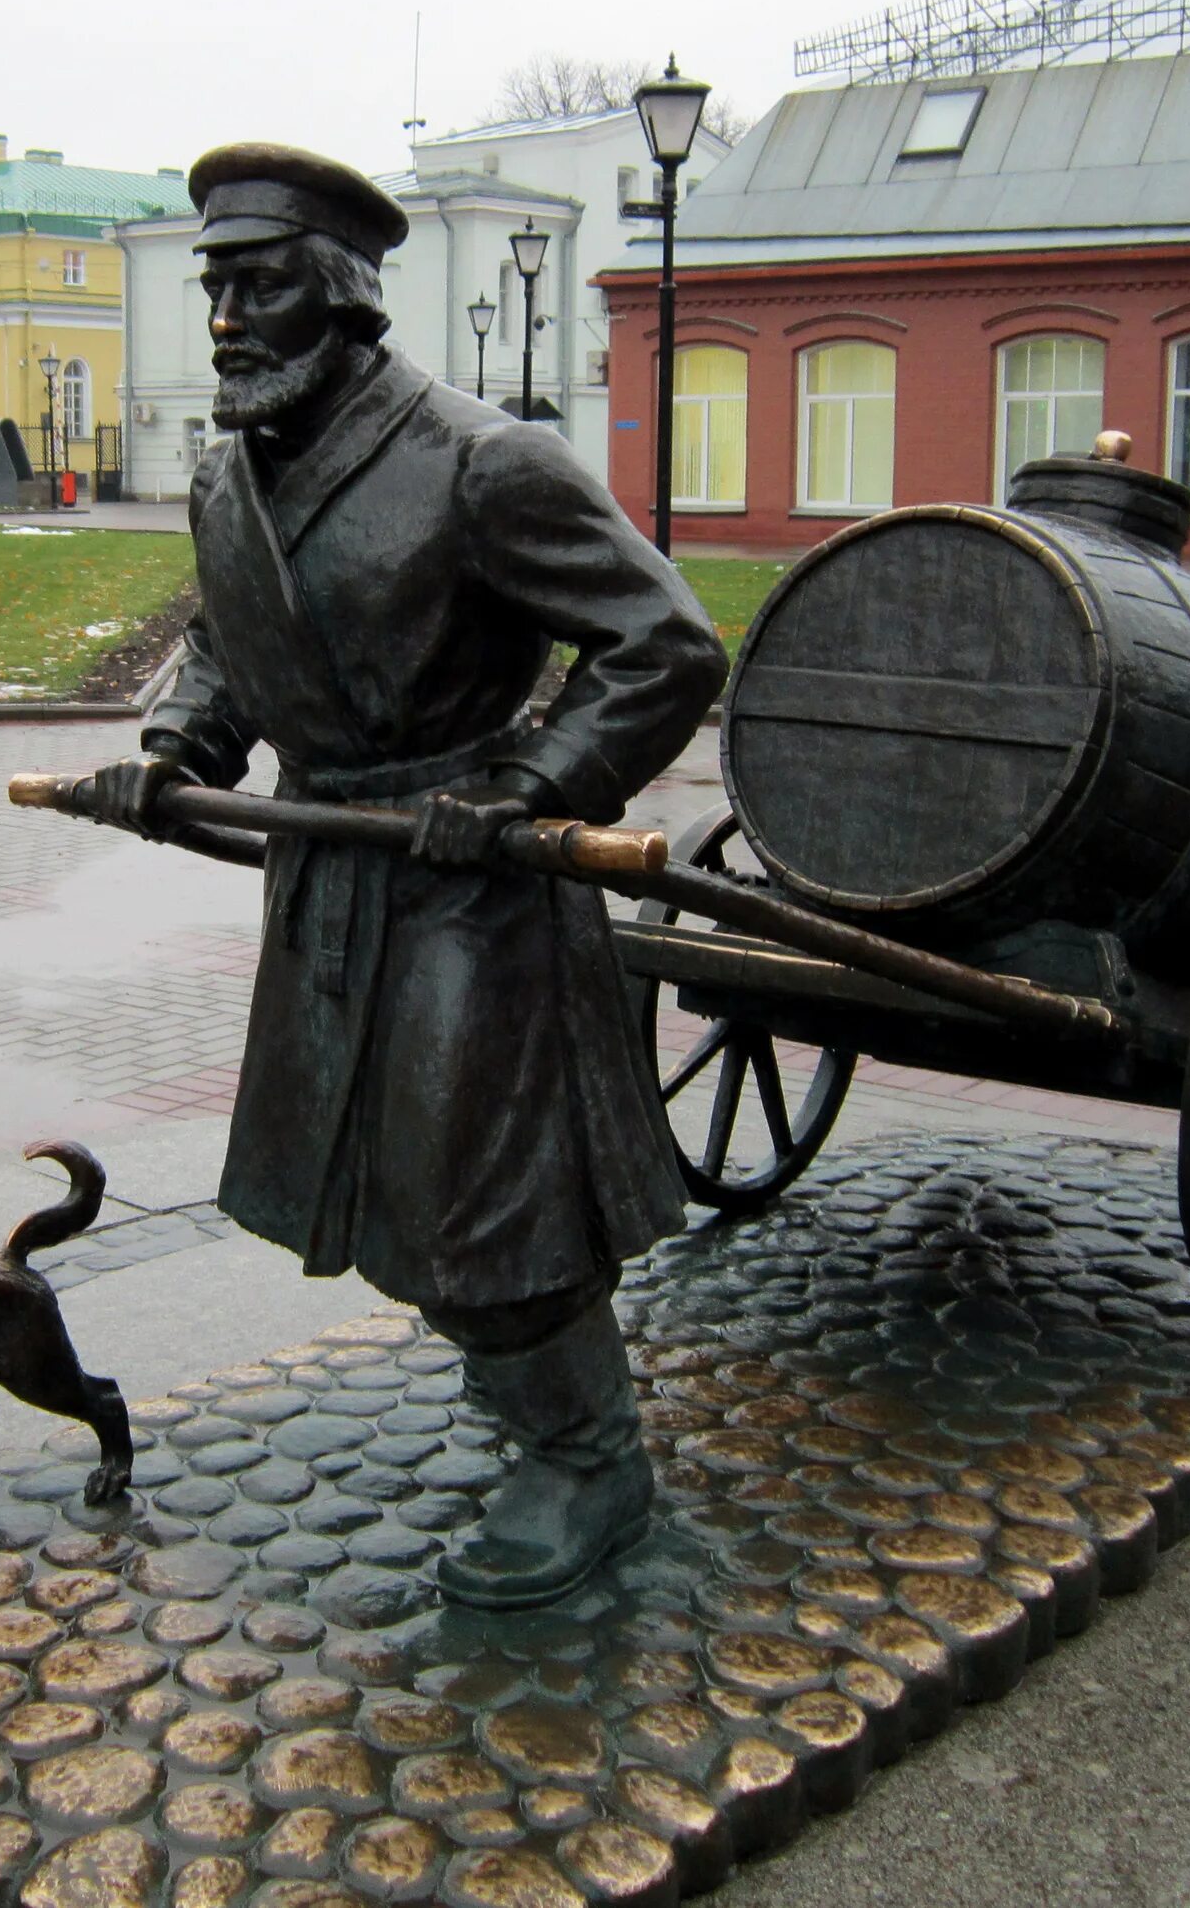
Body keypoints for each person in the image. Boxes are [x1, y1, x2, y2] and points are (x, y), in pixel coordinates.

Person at [83, 144, 727, 1609]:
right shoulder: (230, 472)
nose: (226, 320)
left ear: (339, 299)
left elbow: (667, 644)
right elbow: (235, 634)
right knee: (383, 1183)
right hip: (333, 873)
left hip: (471, 886)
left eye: (256, 288)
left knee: (477, 1196)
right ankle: (530, 1402)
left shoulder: (482, 463)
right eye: (215, 289)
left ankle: (591, 1458)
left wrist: (531, 783)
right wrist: (181, 741)